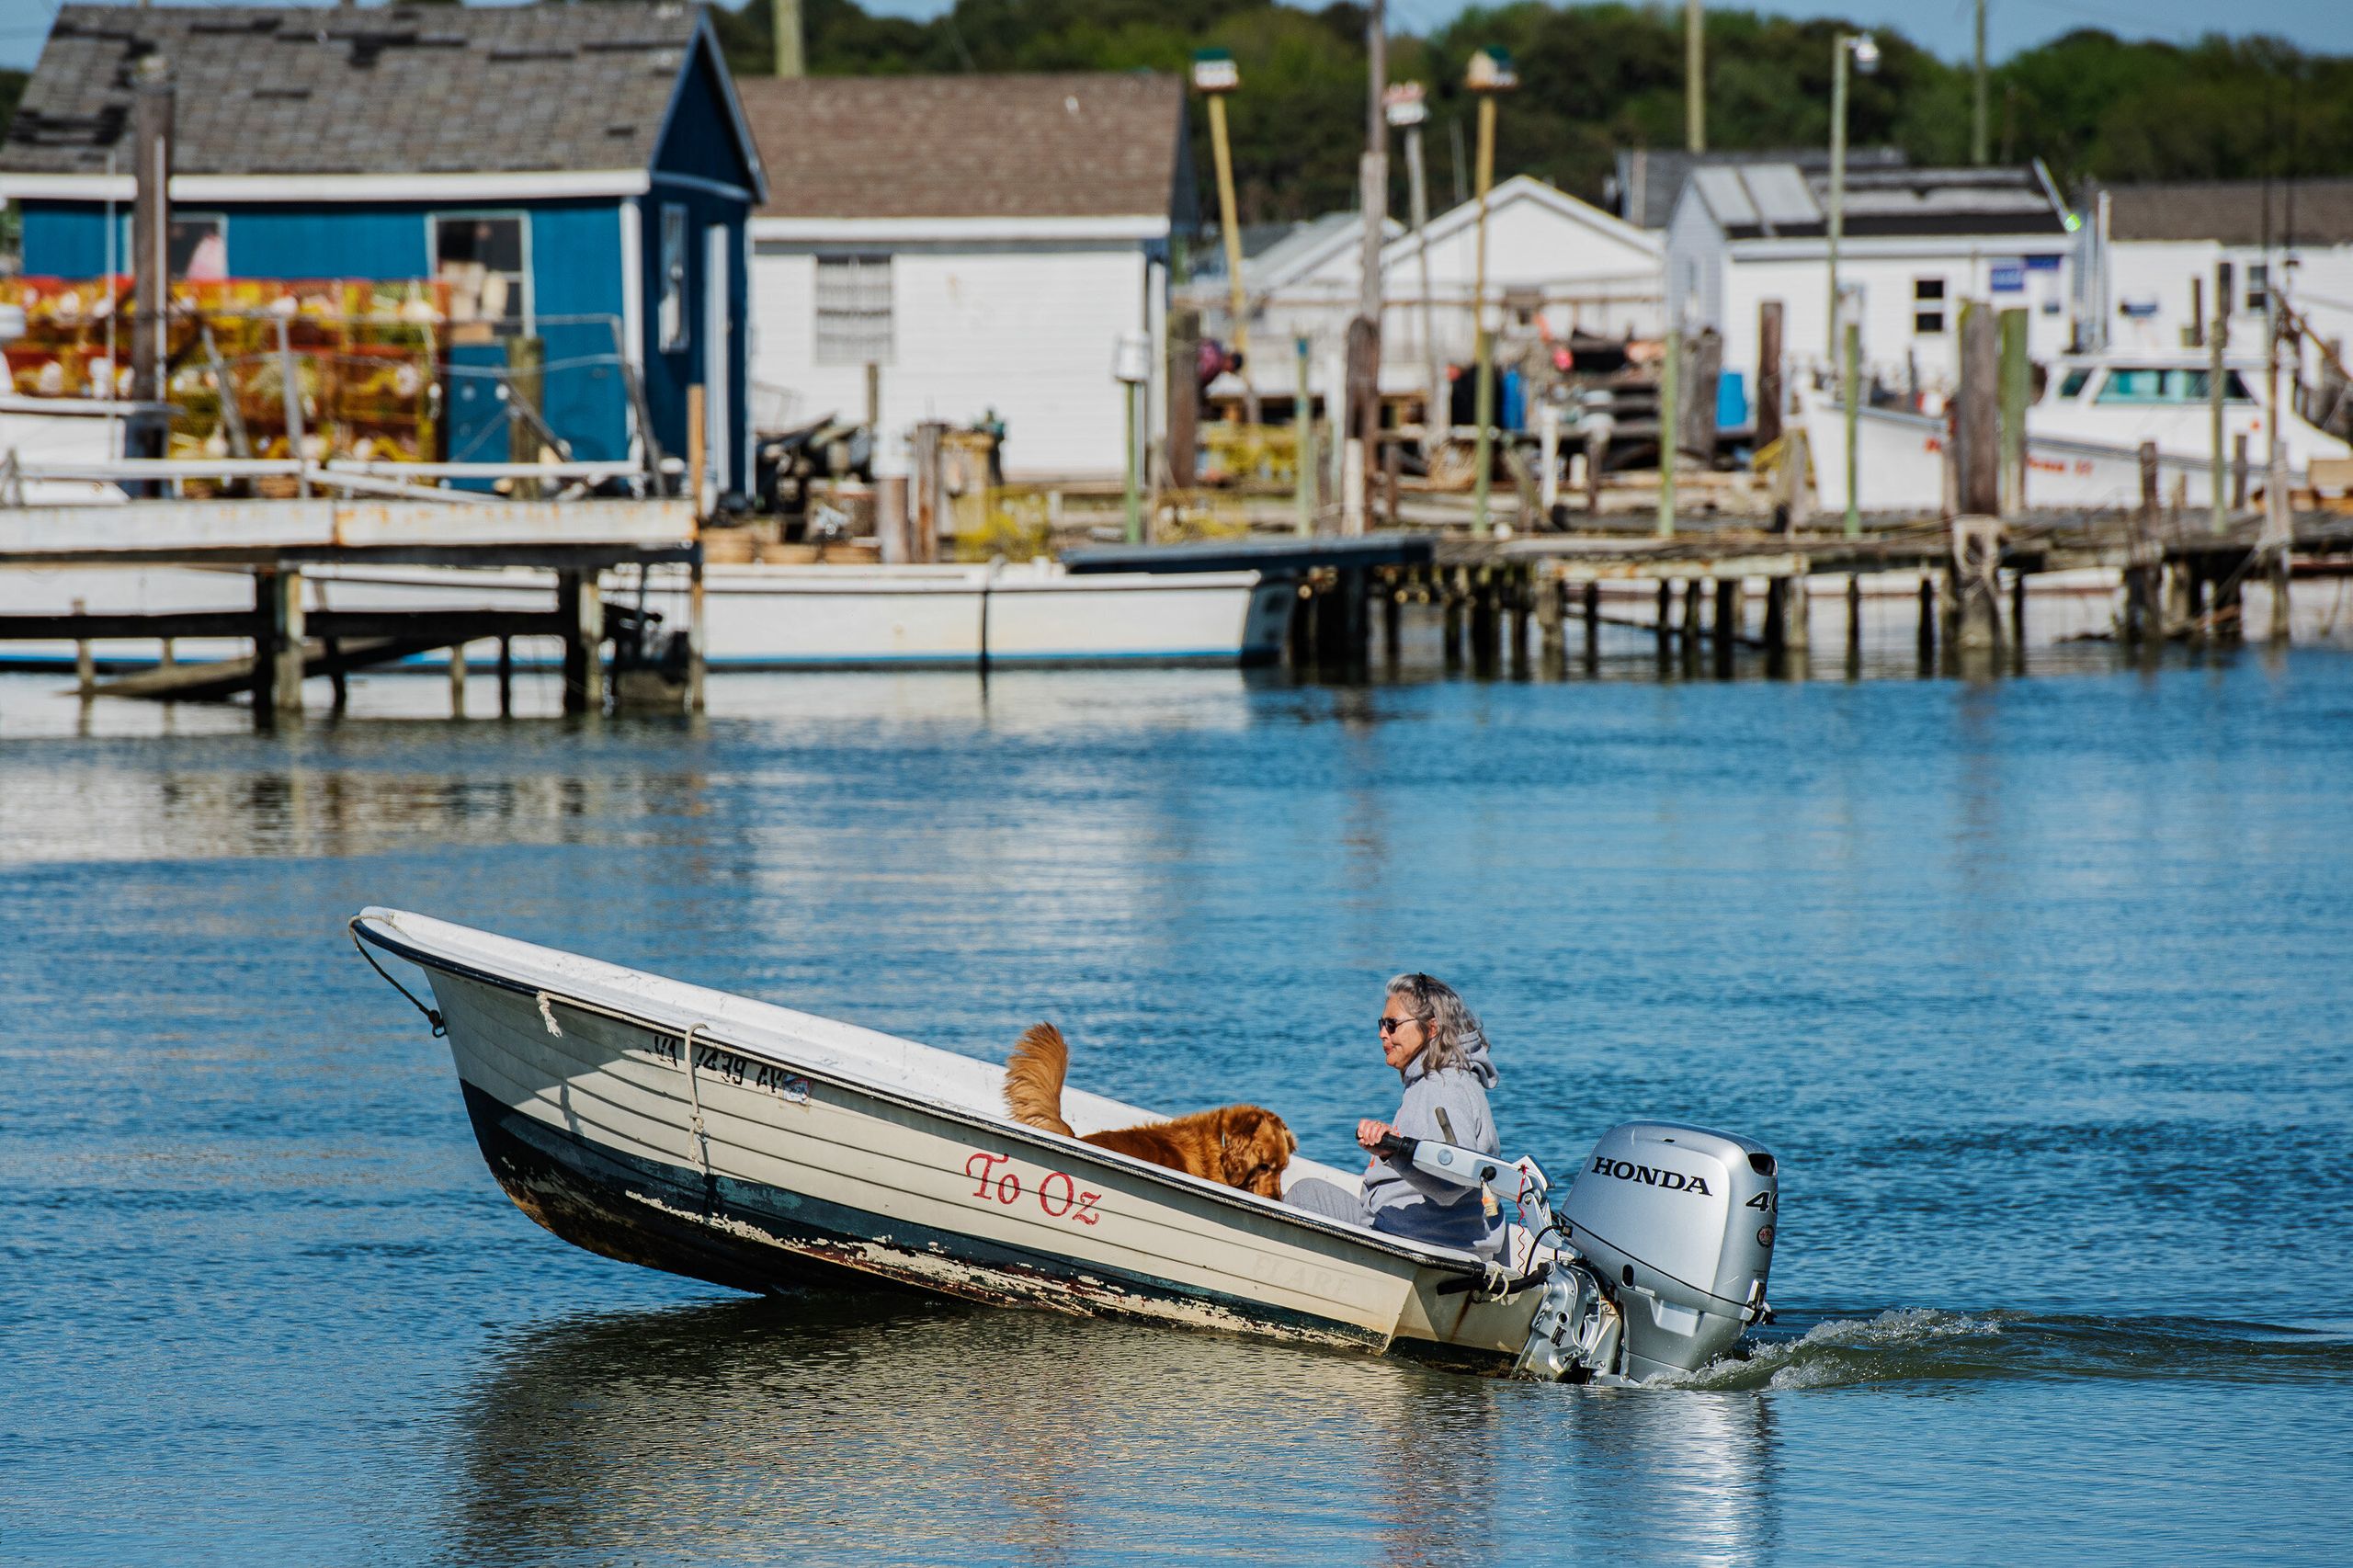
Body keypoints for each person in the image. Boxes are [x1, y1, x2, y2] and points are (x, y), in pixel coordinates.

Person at [1285, 971, 1501, 1250]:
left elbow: (1454, 1184)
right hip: (1410, 1227)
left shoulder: (1441, 1088)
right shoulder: (1447, 1079)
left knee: (1306, 1194)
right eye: (1382, 1023)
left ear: (1431, 1029)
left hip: (1415, 1240)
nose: (1382, 1033)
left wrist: (1392, 1152)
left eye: (1392, 1024)